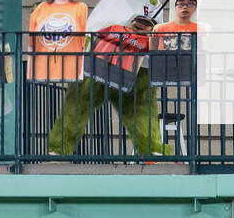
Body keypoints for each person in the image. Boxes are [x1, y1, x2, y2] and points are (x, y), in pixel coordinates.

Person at [47, 13, 166, 156]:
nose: (141, 25)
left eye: (146, 24)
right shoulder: (115, 28)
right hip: (100, 67)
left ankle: (151, 150)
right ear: (132, 21)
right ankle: (58, 149)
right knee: (78, 106)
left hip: (125, 75)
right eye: (139, 21)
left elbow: (157, 52)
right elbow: (95, 35)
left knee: (139, 112)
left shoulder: (146, 41)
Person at [27, 0, 89, 82]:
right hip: (42, 70)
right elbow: (31, 45)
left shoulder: (81, 7)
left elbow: (84, 43)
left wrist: (81, 73)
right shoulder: (40, 8)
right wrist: (30, 74)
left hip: (71, 70)